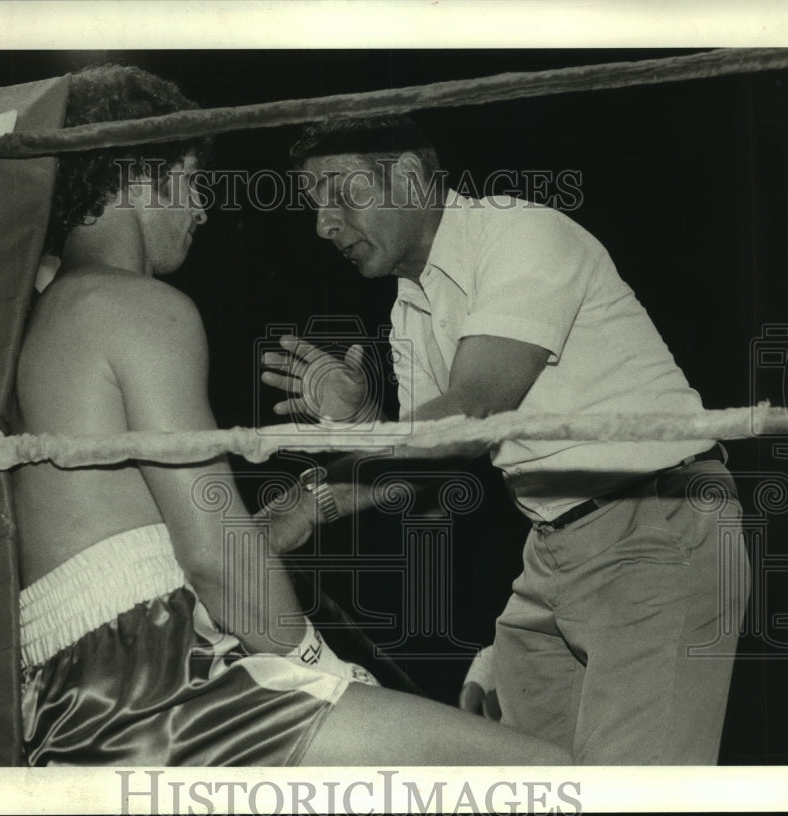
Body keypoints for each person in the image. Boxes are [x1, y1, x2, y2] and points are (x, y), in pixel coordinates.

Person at [8, 65, 569, 766]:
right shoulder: (138, 307)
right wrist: (317, 663)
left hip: (72, 694)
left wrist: (316, 495)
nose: (203, 209)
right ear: (140, 175)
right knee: (547, 774)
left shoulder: (39, 317)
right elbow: (215, 557)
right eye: (191, 181)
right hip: (152, 687)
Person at [260, 115, 751, 765]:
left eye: (340, 194)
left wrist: (327, 468)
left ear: (408, 177)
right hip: (553, 551)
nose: (324, 225)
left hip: (655, 528)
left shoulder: (521, 234)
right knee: (526, 786)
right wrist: (360, 429)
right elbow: (431, 473)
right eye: (314, 205)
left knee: (636, 799)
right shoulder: (412, 304)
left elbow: (473, 410)